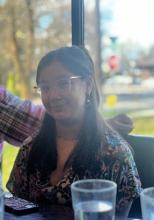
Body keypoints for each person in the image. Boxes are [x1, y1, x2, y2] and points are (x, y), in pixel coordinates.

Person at [2, 46, 141, 218]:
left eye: (63, 83)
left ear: (88, 85)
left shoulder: (115, 154)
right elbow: (17, 212)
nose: (53, 95)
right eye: (45, 88)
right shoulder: (30, 149)